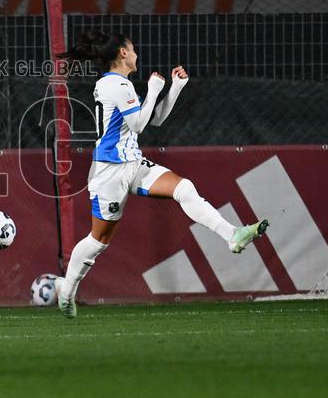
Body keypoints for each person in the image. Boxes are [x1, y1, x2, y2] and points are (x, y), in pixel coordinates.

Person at [54, 30, 269, 318]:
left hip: (133, 164)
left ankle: (232, 234)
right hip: (110, 171)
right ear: (122, 54)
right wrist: (154, 89)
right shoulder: (117, 85)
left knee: (184, 188)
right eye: (133, 49)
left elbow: (154, 119)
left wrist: (176, 88)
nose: (136, 53)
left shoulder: (122, 84)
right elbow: (140, 124)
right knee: (99, 240)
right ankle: (67, 291)